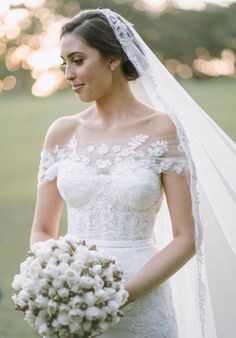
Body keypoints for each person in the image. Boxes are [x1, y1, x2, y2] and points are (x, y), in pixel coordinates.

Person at [30, 8, 236, 338]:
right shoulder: (62, 132)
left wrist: (119, 297)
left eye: (78, 60)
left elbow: (186, 237)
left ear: (113, 58)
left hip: (143, 300)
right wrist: (59, 282)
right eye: (63, 63)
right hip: (74, 306)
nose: (68, 73)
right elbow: (42, 229)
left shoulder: (161, 129)